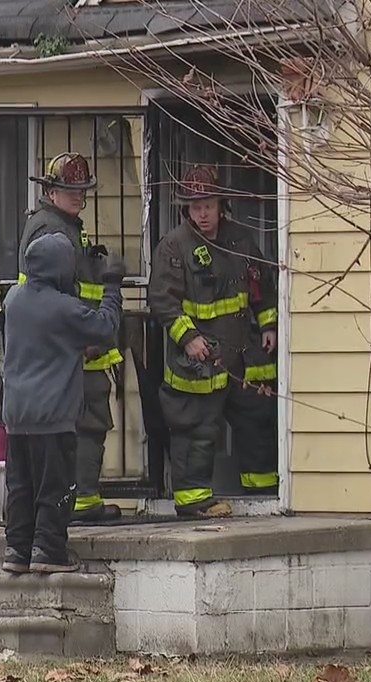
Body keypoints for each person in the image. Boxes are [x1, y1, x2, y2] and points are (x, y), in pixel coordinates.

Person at [147, 165, 279, 518]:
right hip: (200, 358)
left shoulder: (241, 240)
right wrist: (188, 338)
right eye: (195, 207)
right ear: (185, 209)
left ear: (221, 204)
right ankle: (193, 501)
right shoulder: (174, 246)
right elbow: (162, 300)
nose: (202, 213)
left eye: (207, 204)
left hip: (243, 354)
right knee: (196, 427)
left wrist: (269, 326)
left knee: (258, 420)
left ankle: (263, 494)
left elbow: (261, 285)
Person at [1, 232, 126, 574]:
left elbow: (49, 341)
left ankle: (17, 550)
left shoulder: (14, 300)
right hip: (52, 414)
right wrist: (112, 285)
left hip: (16, 415)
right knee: (53, 485)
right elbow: (104, 326)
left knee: (22, 486)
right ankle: (48, 550)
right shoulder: (63, 307)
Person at [16, 152, 124, 524]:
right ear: (50, 190)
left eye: (83, 190)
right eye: (70, 190)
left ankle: (83, 500)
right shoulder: (52, 231)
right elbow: (55, 298)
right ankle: (81, 503)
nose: (79, 197)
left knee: (89, 423)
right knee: (87, 424)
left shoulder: (65, 225)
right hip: (77, 347)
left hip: (80, 343)